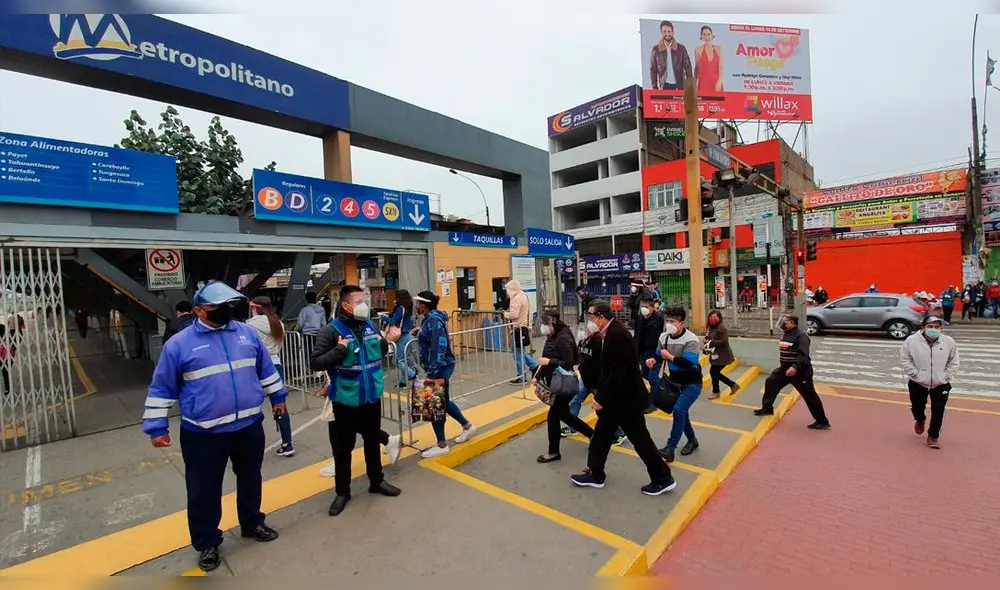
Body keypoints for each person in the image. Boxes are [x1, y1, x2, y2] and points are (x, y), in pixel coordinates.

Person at [142, 281, 284, 572]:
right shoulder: (179, 345)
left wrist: (278, 398)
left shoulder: (246, 334)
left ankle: (252, 523)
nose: (225, 310)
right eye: (217, 306)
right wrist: (157, 427)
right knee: (203, 490)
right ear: (198, 311)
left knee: (250, 478)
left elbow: (265, 369)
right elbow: (161, 388)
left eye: (228, 305)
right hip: (204, 433)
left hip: (248, 425)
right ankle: (207, 542)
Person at [309, 285, 402, 517]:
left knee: (372, 441)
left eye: (364, 300)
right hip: (345, 400)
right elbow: (316, 362)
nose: (364, 305)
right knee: (343, 448)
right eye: (358, 301)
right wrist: (340, 350)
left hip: (371, 396)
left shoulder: (369, 325)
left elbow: (380, 353)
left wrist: (383, 341)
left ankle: (376, 481)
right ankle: (342, 492)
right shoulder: (331, 331)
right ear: (345, 305)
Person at [572, 300, 676, 496]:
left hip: (626, 400)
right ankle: (595, 473)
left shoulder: (618, 335)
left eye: (592, 316)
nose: (590, 320)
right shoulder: (607, 334)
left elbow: (617, 373)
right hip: (617, 399)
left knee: (640, 439)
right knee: (602, 435)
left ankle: (663, 478)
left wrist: (600, 397)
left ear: (601, 317)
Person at [411, 290, 476, 457]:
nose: (416, 306)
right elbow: (431, 337)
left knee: (434, 404)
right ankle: (467, 426)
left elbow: (438, 346)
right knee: (443, 401)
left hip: (439, 367)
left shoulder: (433, 320)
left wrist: (432, 373)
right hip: (440, 366)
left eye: (418, 303)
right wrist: (420, 332)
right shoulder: (430, 319)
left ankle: (441, 444)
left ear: (424, 306)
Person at [534, 310, 594, 463]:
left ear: (553, 322)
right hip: (555, 382)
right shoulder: (552, 335)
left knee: (553, 416)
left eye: (545, 323)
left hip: (563, 384)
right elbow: (547, 358)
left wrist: (550, 362)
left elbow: (569, 362)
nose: (542, 326)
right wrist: (538, 375)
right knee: (564, 415)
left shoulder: (563, 337)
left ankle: (553, 452)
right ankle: (592, 435)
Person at [756, 315, 831, 429]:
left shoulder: (801, 337)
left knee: (810, 396)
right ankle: (767, 408)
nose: (782, 324)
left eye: (785, 322)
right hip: (784, 370)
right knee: (771, 382)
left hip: (800, 372)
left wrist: (795, 367)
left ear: (792, 322)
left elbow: (803, 355)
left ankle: (822, 421)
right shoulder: (786, 334)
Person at [562, 318, 627, 444]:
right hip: (585, 379)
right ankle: (572, 426)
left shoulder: (601, 342)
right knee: (575, 400)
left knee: (604, 409)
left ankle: (619, 433)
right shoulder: (584, 340)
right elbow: (580, 358)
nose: (587, 326)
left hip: (598, 382)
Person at [651, 307, 703, 463]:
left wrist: (670, 357)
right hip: (674, 383)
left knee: (679, 410)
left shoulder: (691, 339)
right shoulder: (664, 337)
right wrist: (653, 360)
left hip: (692, 383)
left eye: (672, 321)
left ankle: (670, 448)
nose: (669, 324)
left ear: (681, 323)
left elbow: (689, 363)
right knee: (682, 413)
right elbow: (658, 355)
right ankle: (692, 440)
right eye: (667, 320)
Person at [900, 316, 959, 449]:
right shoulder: (911, 341)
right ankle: (920, 419)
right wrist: (915, 374)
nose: (934, 329)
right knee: (917, 406)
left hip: (940, 383)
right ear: (923, 328)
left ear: (941, 329)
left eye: (937, 327)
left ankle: (933, 436)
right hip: (918, 382)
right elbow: (905, 359)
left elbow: (954, 362)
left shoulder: (948, 342)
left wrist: (945, 376)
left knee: (938, 410)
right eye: (930, 326)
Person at [247, 296, 294, 458]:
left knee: (252, 407)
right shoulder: (277, 323)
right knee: (280, 405)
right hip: (275, 365)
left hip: (256, 367)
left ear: (255, 308)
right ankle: (287, 443)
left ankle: (251, 445)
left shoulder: (249, 325)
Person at [503, 279, 538, 384]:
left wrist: (505, 314)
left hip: (517, 328)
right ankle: (534, 366)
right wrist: (529, 324)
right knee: (520, 351)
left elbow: (514, 314)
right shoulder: (523, 295)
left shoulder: (515, 299)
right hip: (523, 327)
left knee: (517, 353)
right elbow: (529, 311)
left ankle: (522, 376)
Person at [704, 310, 739, 400]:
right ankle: (731, 385)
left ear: (719, 318)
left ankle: (717, 391)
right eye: (711, 317)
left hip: (723, 355)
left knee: (714, 372)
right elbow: (708, 336)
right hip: (716, 354)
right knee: (714, 372)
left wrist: (711, 342)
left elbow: (724, 341)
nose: (713, 319)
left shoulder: (721, 327)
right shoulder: (711, 327)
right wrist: (706, 340)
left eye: (715, 317)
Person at [649, 20, 692, 91]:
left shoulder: (681, 48)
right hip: (664, 86)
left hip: (679, 86)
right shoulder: (656, 50)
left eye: (669, 31)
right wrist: (654, 88)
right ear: (661, 33)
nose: (667, 34)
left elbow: (688, 68)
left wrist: (689, 88)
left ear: (673, 32)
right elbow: (653, 70)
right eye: (664, 31)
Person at [386, 289, 417, 386]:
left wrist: (383, 317)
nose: (395, 299)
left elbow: (393, 321)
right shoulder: (408, 308)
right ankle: (404, 382)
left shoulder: (400, 308)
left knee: (396, 361)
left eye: (397, 297)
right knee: (404, 359)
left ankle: (412, 374)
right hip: (408, 336)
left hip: (402, 337)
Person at [636, 295, 665, 397]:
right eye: (642, 306)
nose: (643, 309)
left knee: (652, 376)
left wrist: (660, 352)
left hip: (655, 351)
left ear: (652, 308)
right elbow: (637, 336)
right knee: (644, 374)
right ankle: (660, 387)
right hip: (643, 351)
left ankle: (653, 399)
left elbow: (663, 335)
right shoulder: (640, 319)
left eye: (646, 307)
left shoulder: (659, 319)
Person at [694, 24, 723, 94]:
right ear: (701, 36)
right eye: (704, 34)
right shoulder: (698, 49)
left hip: (716, 83)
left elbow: (721, 67)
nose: (707, 37)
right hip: (703, 84)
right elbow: (697, 68)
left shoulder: (718, 49)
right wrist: (695, 83)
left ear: (712, 35)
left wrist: (719, 81)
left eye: (708, 34)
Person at [0, 323, 10, 396]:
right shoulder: (3, 326)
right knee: (4, 372)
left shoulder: (2, 327)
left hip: (4, 354)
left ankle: (7, 388)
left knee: (4, 371)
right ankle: (7, 388)